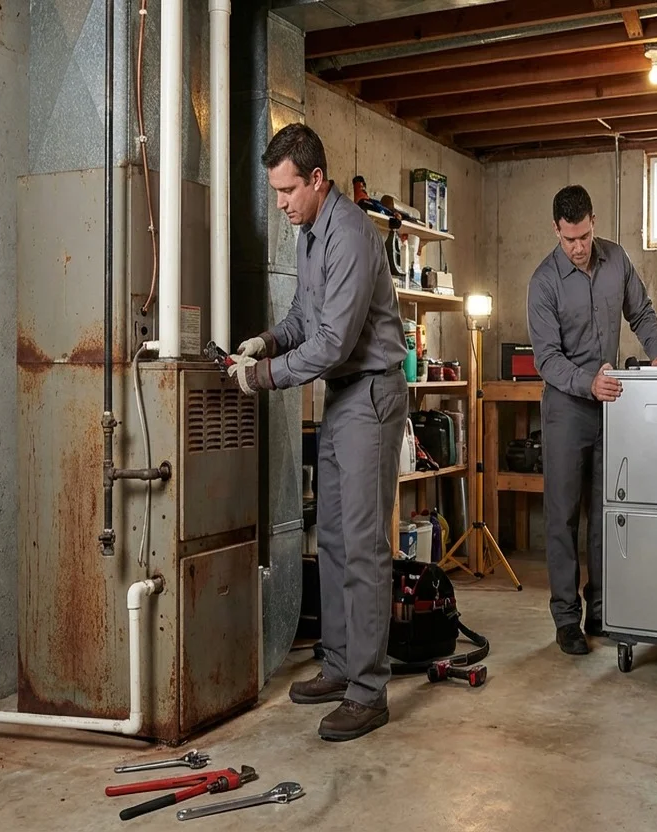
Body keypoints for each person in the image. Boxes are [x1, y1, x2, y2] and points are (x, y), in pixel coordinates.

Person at [228, 123, 408, 741]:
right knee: (330, 536)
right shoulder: (310, 235)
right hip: (341, 395)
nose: (280, 203)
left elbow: (332, 342)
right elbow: (308, 316)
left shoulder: (353, 235)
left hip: (371, 395)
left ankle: (368, 690)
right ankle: (337, 664)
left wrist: (267, 375)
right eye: (275, 191)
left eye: (286, 191)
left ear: (317, 180)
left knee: (362, 543)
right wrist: (269, 339)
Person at [526, 185, 657, 656]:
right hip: (567, 410)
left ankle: (602, 610)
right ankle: (567, 619)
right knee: (564, 517)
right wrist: (587, 382)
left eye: (585, 236)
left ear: (594, 222)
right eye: (570, 239)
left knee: (607, 513)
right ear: (556, 229)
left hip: (612, 408)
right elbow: (546, 359)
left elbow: (642, 312)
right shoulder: (544, 281)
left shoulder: (617, 261)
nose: (578, 247)